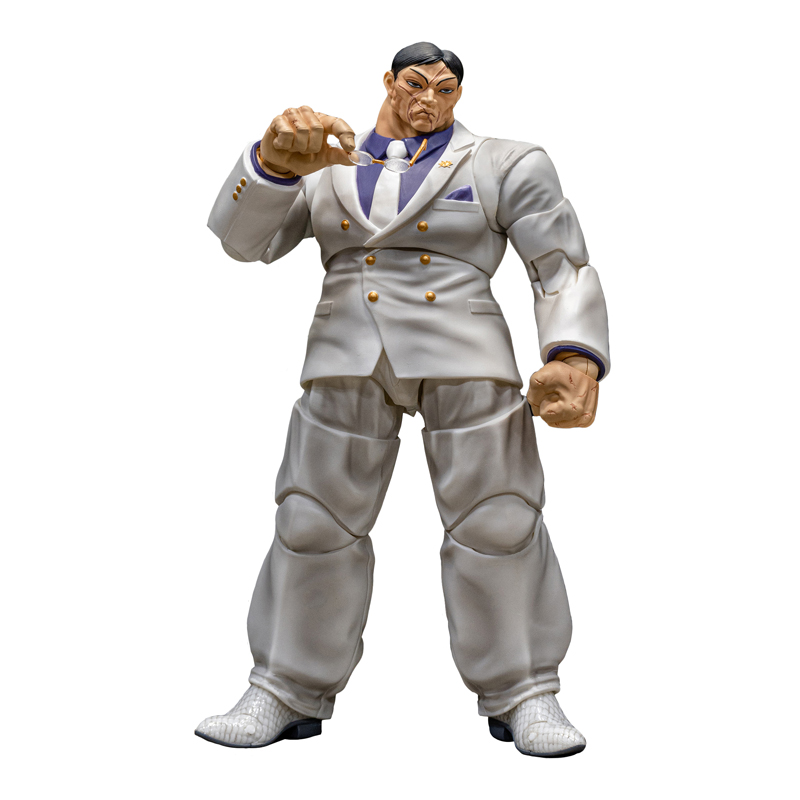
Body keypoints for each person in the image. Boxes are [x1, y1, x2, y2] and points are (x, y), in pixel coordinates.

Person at [196, 42, 610, 758]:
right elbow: (243, 243)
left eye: (445, 89)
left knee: (499, 518)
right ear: (389, 82)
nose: (430, 99)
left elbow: (559, 263)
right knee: (311, 519)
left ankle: (524, 690)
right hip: (346, 352)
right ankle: (285, 685)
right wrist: (269, 163)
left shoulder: (504, 162)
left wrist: (574, 355)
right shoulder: (326, 162)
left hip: (464, 352)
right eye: (417, 84)